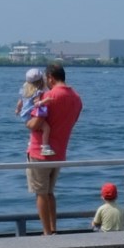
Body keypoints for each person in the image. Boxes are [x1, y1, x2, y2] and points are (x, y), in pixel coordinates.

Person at [25, 63, 83, 235]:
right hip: (59, 152)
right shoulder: (76, 98)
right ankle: (53, 229)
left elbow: (34, 124)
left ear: (50, 77)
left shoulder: (49, 96)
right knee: (50, 192)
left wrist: (26, 121)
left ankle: (46, 232)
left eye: (46, 79)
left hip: (39, 152)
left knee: (40, 193)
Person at [15, 68, 55, 156]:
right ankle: (45, 147)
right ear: (41, 80)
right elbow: (37, 104)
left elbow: (20, 102)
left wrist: (17, 110)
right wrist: (46, 100)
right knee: (46, 128)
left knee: (35, 128)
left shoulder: (25, 89)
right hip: (32, 115)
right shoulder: (37, 92)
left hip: (25, 116)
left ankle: (31, 142)